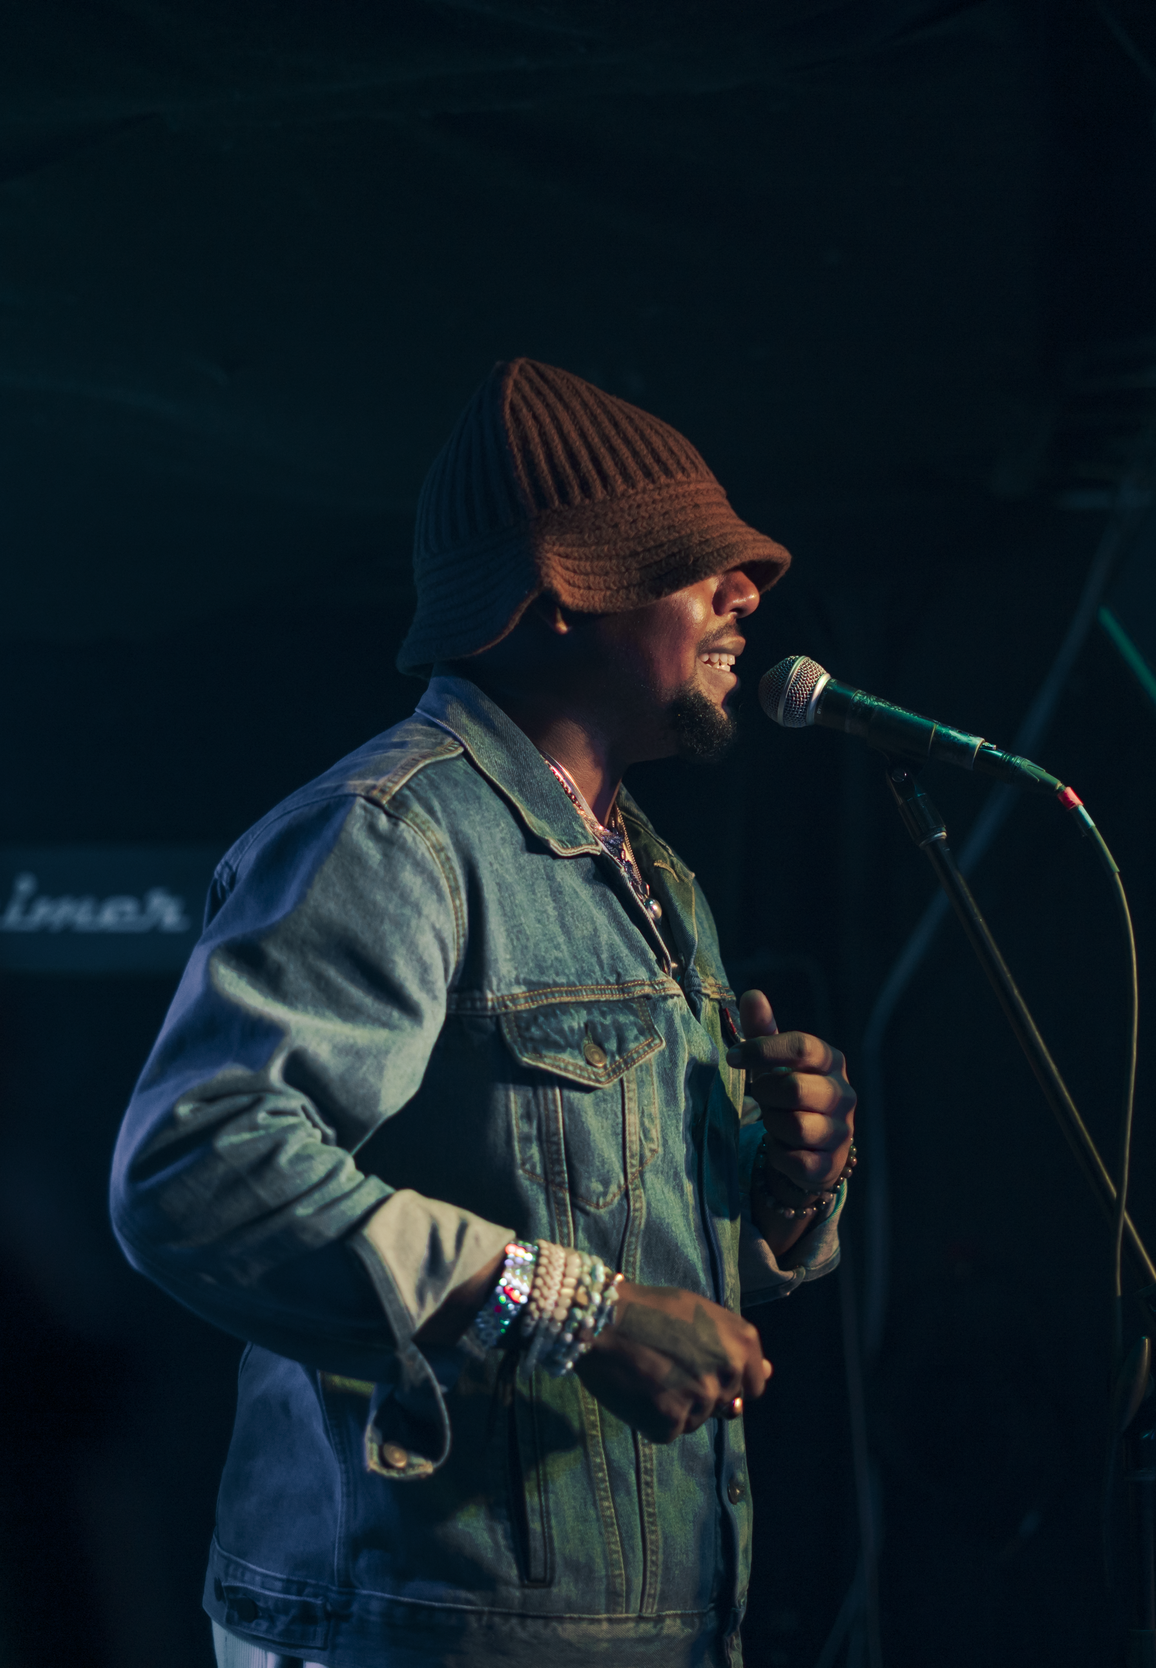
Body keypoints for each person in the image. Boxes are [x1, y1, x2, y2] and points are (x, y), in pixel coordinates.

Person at [110, 358, 859, 1668]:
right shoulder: (389, 835)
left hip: (636, 1629)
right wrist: (583, 1313)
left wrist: (787, 1188)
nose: (749, 592)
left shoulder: (656, 874)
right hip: (409, 1626)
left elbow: (643, 1257)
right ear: (559, 593)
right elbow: (195, 1172)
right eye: (697, 565)